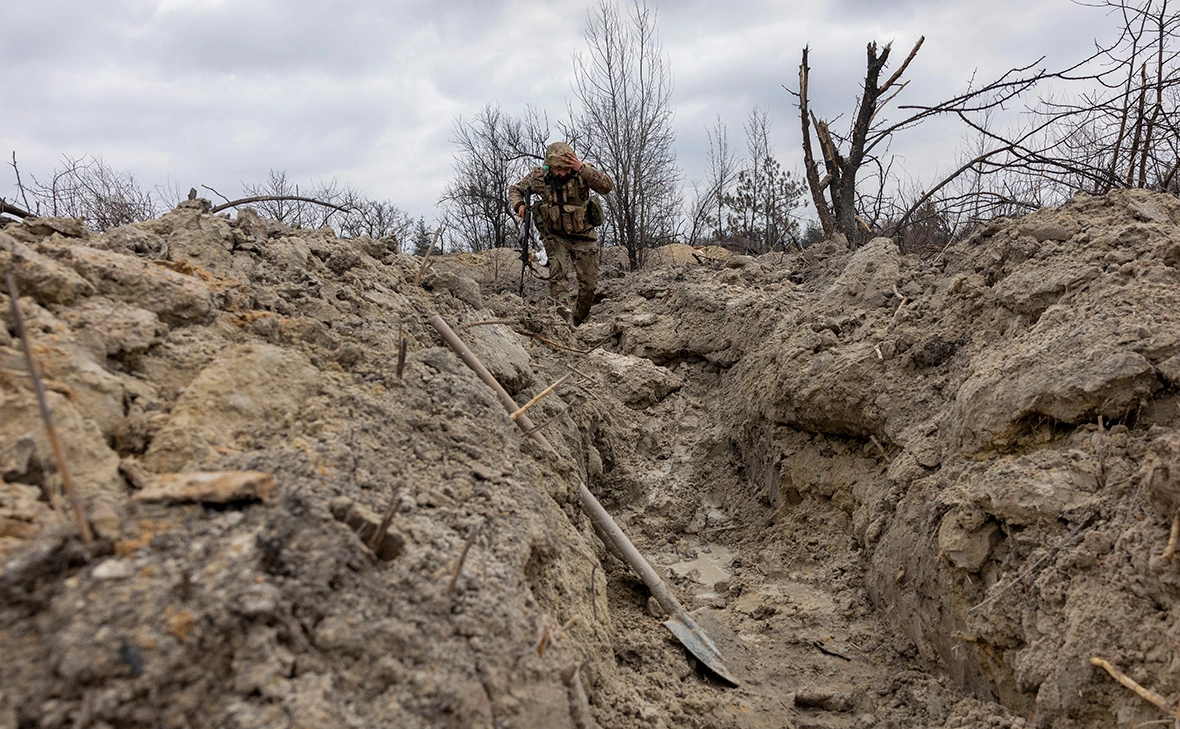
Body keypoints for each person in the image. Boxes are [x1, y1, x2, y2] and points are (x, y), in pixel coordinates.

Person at [508, 142, 613, 325]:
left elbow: (606, 186)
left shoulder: (583, 172)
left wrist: (581, 168)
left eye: (566, 168)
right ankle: (563, 323)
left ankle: (577, 321)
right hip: (556, 237)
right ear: (550, 166)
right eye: (558, 169)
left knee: (589, 286)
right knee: (559, 278)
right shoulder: (539, 177)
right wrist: (519, 205)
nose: (563, 173)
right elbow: (515, 189)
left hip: (584, 236)